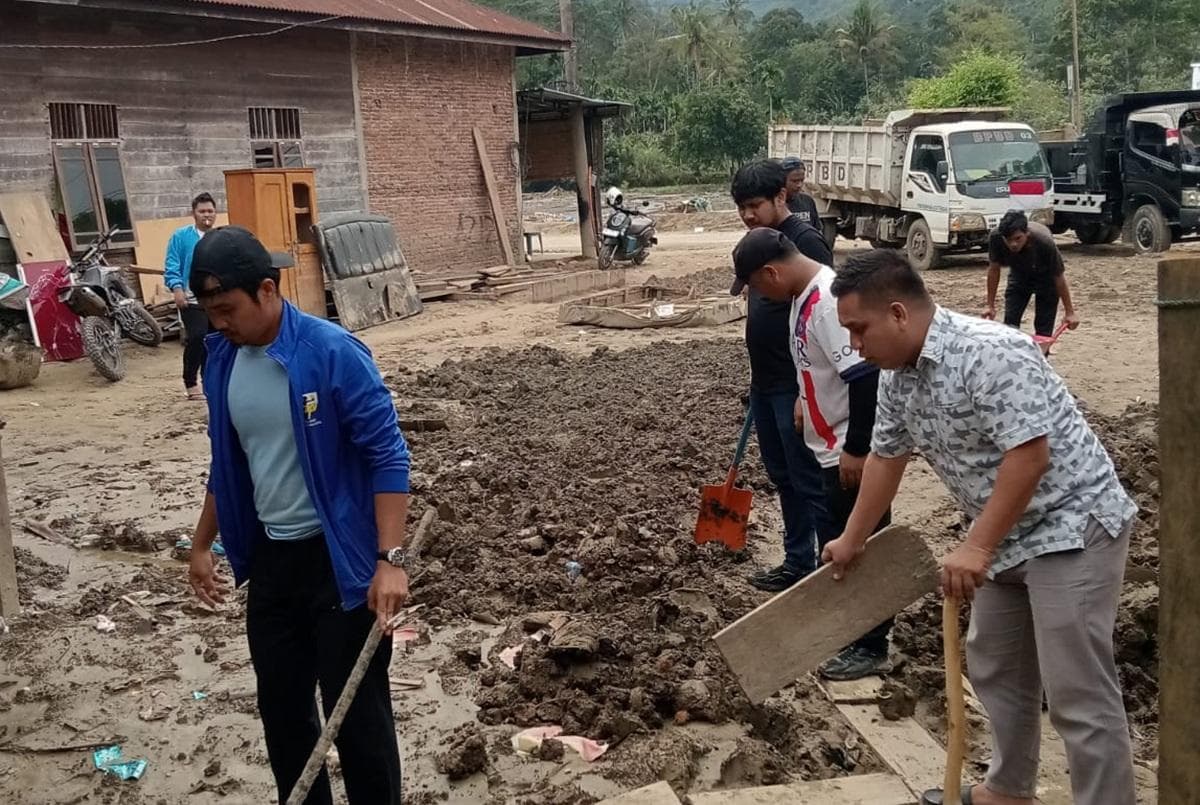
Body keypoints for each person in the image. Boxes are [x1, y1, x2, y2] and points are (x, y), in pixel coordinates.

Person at [824, 249, 1137, 805]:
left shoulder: (992, 352)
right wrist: (853, 540)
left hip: (1071, 527)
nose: (854, 345)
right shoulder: (898, 375)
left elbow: (1029, 458)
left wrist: (977, 545)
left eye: (857, 329)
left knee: (1077, 692)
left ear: (898, 313)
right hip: (1004, 535)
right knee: (996, 665)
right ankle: (1010, 789)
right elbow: (886, 458)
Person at [185, 226, 410, 805]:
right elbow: (229, 465)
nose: (219, 324)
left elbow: (387, 456)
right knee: (283, 716)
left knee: (357, 717)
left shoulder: (332, 353)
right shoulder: (222, 362)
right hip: (272, 563)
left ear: (266, 290)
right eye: (210, 312)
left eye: (227, 309)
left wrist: (390, 561)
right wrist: (202, 544)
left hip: (340, 566)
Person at [731, 227, 892, 681]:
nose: (759, 295)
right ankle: (849, 627)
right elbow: (818, 362)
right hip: (826, 447)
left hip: (847, 448)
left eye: (757, 285)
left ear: (771, 272)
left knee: (861, 548)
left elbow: (864, 378)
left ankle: (872, 644)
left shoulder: (824, 301)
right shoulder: (801, 297)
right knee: (836, 538)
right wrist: (806, 393)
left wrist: (858, 449)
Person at [730, 160, 832, 593]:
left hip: (794, 386)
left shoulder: (805, 243)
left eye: (755, 205)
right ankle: (797, 561)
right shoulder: (757, 243)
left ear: (781, 197)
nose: (749, 215)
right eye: (742, 208)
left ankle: (826, 566)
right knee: (783, 474)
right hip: (766, 382)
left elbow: (821, 318)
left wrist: (805, 394)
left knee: (808, 478)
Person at [984, 210, 1079, 354]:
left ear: (1026, 233)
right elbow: (994, 269)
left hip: (1047, 278)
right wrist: (990, 306)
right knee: (1010, 325)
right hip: (1019, 275)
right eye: (1008, 240)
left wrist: (1069, 312)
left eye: (1017, 238)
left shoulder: (1043, 242)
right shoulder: (996, 237)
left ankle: (1041, 362)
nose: (1013, 244)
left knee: (1043, 329)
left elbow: (1058, 276)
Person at [164, 193, 218, 400]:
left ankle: (209, 381)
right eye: (202, 211)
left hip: (215, 298)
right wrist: (177, 288)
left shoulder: (220, 237)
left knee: (214, 340)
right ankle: (190, 382)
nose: (206, 215)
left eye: (210, 211)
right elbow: (172, 264)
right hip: (190, 297)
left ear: (215, 213)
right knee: (197, 336)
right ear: (193, 214)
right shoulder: (181, 236)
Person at [780, 156, 821, 232]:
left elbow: (817, 231)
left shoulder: (808, 201)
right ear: (782, 180)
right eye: (795, 181)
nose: (799, 185)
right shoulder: (774, 205)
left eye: (802, 180)